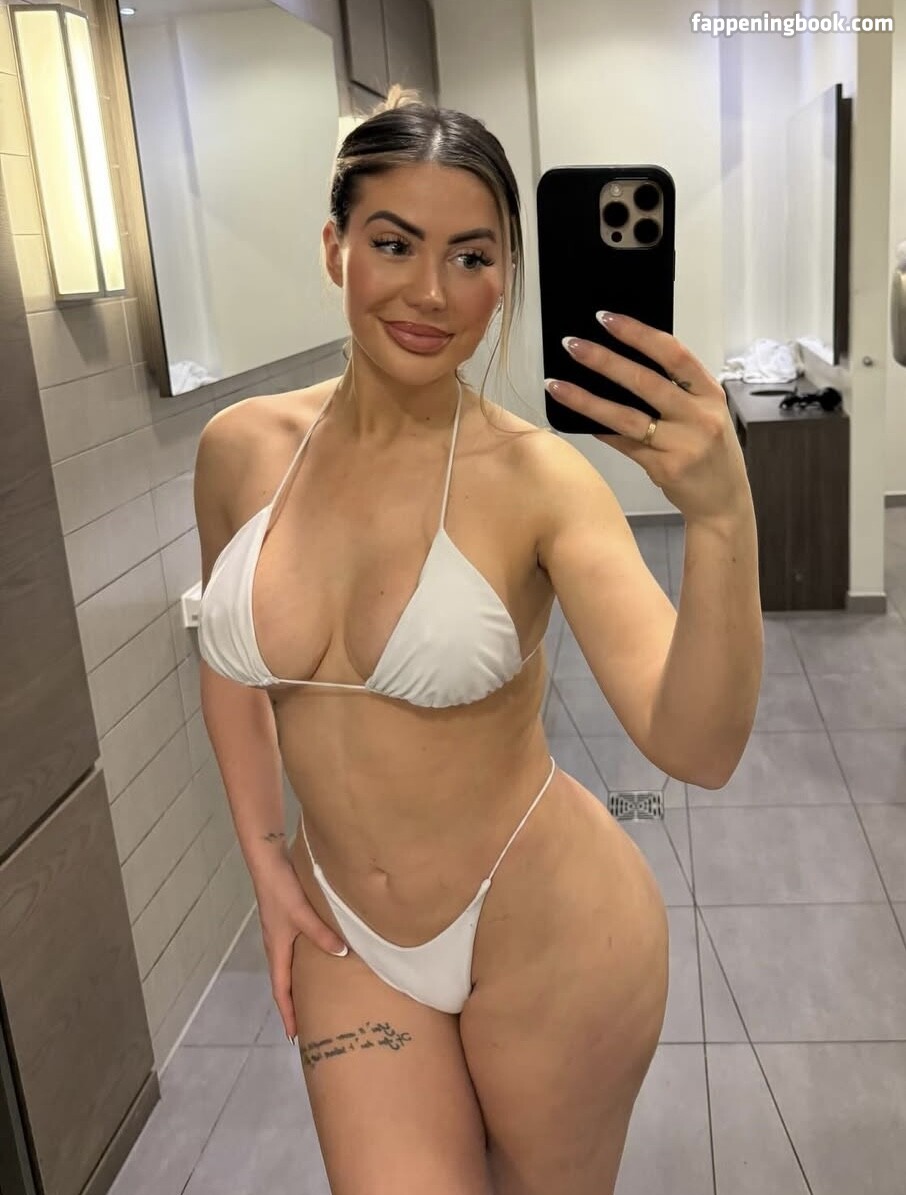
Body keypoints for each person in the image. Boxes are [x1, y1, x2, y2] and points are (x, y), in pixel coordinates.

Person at [194, 85, 762, 1195]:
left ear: (508, 275)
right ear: (334, 247)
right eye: (393, 243)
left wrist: (722, 520)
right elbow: (228, 667)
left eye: (472, 256)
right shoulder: (239, 450)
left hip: (548, 931)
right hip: (349, 934)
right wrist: (264, 858)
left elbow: (697, 744)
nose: (430, 291)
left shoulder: (541, 478)